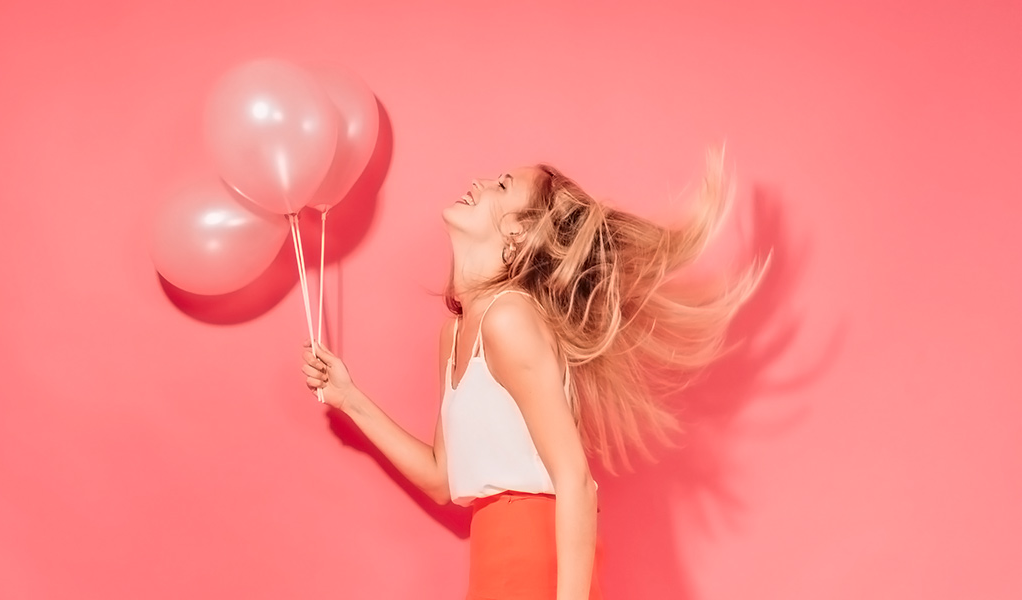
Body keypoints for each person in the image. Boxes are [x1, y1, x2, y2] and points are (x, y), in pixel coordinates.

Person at [301, 149, 763, 600]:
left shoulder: (509, 320)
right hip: (494, 562)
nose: (480, 181)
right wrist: (348, 397)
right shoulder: (457, 333)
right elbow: (442, 479)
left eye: (503, 185)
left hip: (536, 561)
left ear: (520, 235)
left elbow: (575, 481)